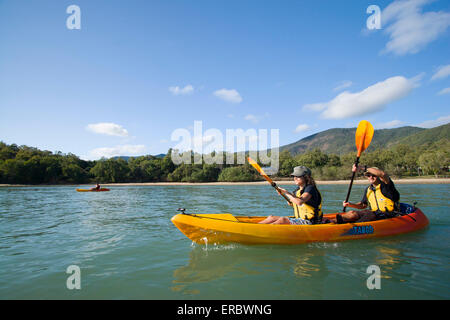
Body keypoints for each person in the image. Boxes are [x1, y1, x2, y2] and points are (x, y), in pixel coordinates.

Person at [334, 164, 400, 224]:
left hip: (390, 215)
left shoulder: (387, 186)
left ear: (378, 176)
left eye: (373, 175)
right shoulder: (368, 189)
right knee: (352, 213)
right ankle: (332, 221)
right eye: (368, 175)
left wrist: (362, 167)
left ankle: (354, 227)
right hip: (375, 214)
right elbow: (363, 205)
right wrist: (350, 204)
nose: (371, 177)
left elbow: (383, 174)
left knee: (369, 214)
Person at [259, 166, 323, 225]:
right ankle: (256, 227)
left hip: (311, 221)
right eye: (294, 176)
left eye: (298, 176)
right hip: (300, 219)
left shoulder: (310, 189)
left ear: (306, 177)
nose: (295, 178)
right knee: (271, 217)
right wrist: (290, 201)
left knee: (283, 220)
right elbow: (294, 202)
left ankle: (261, 231)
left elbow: (299, 202)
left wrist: (286, 193)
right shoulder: (297, 191)